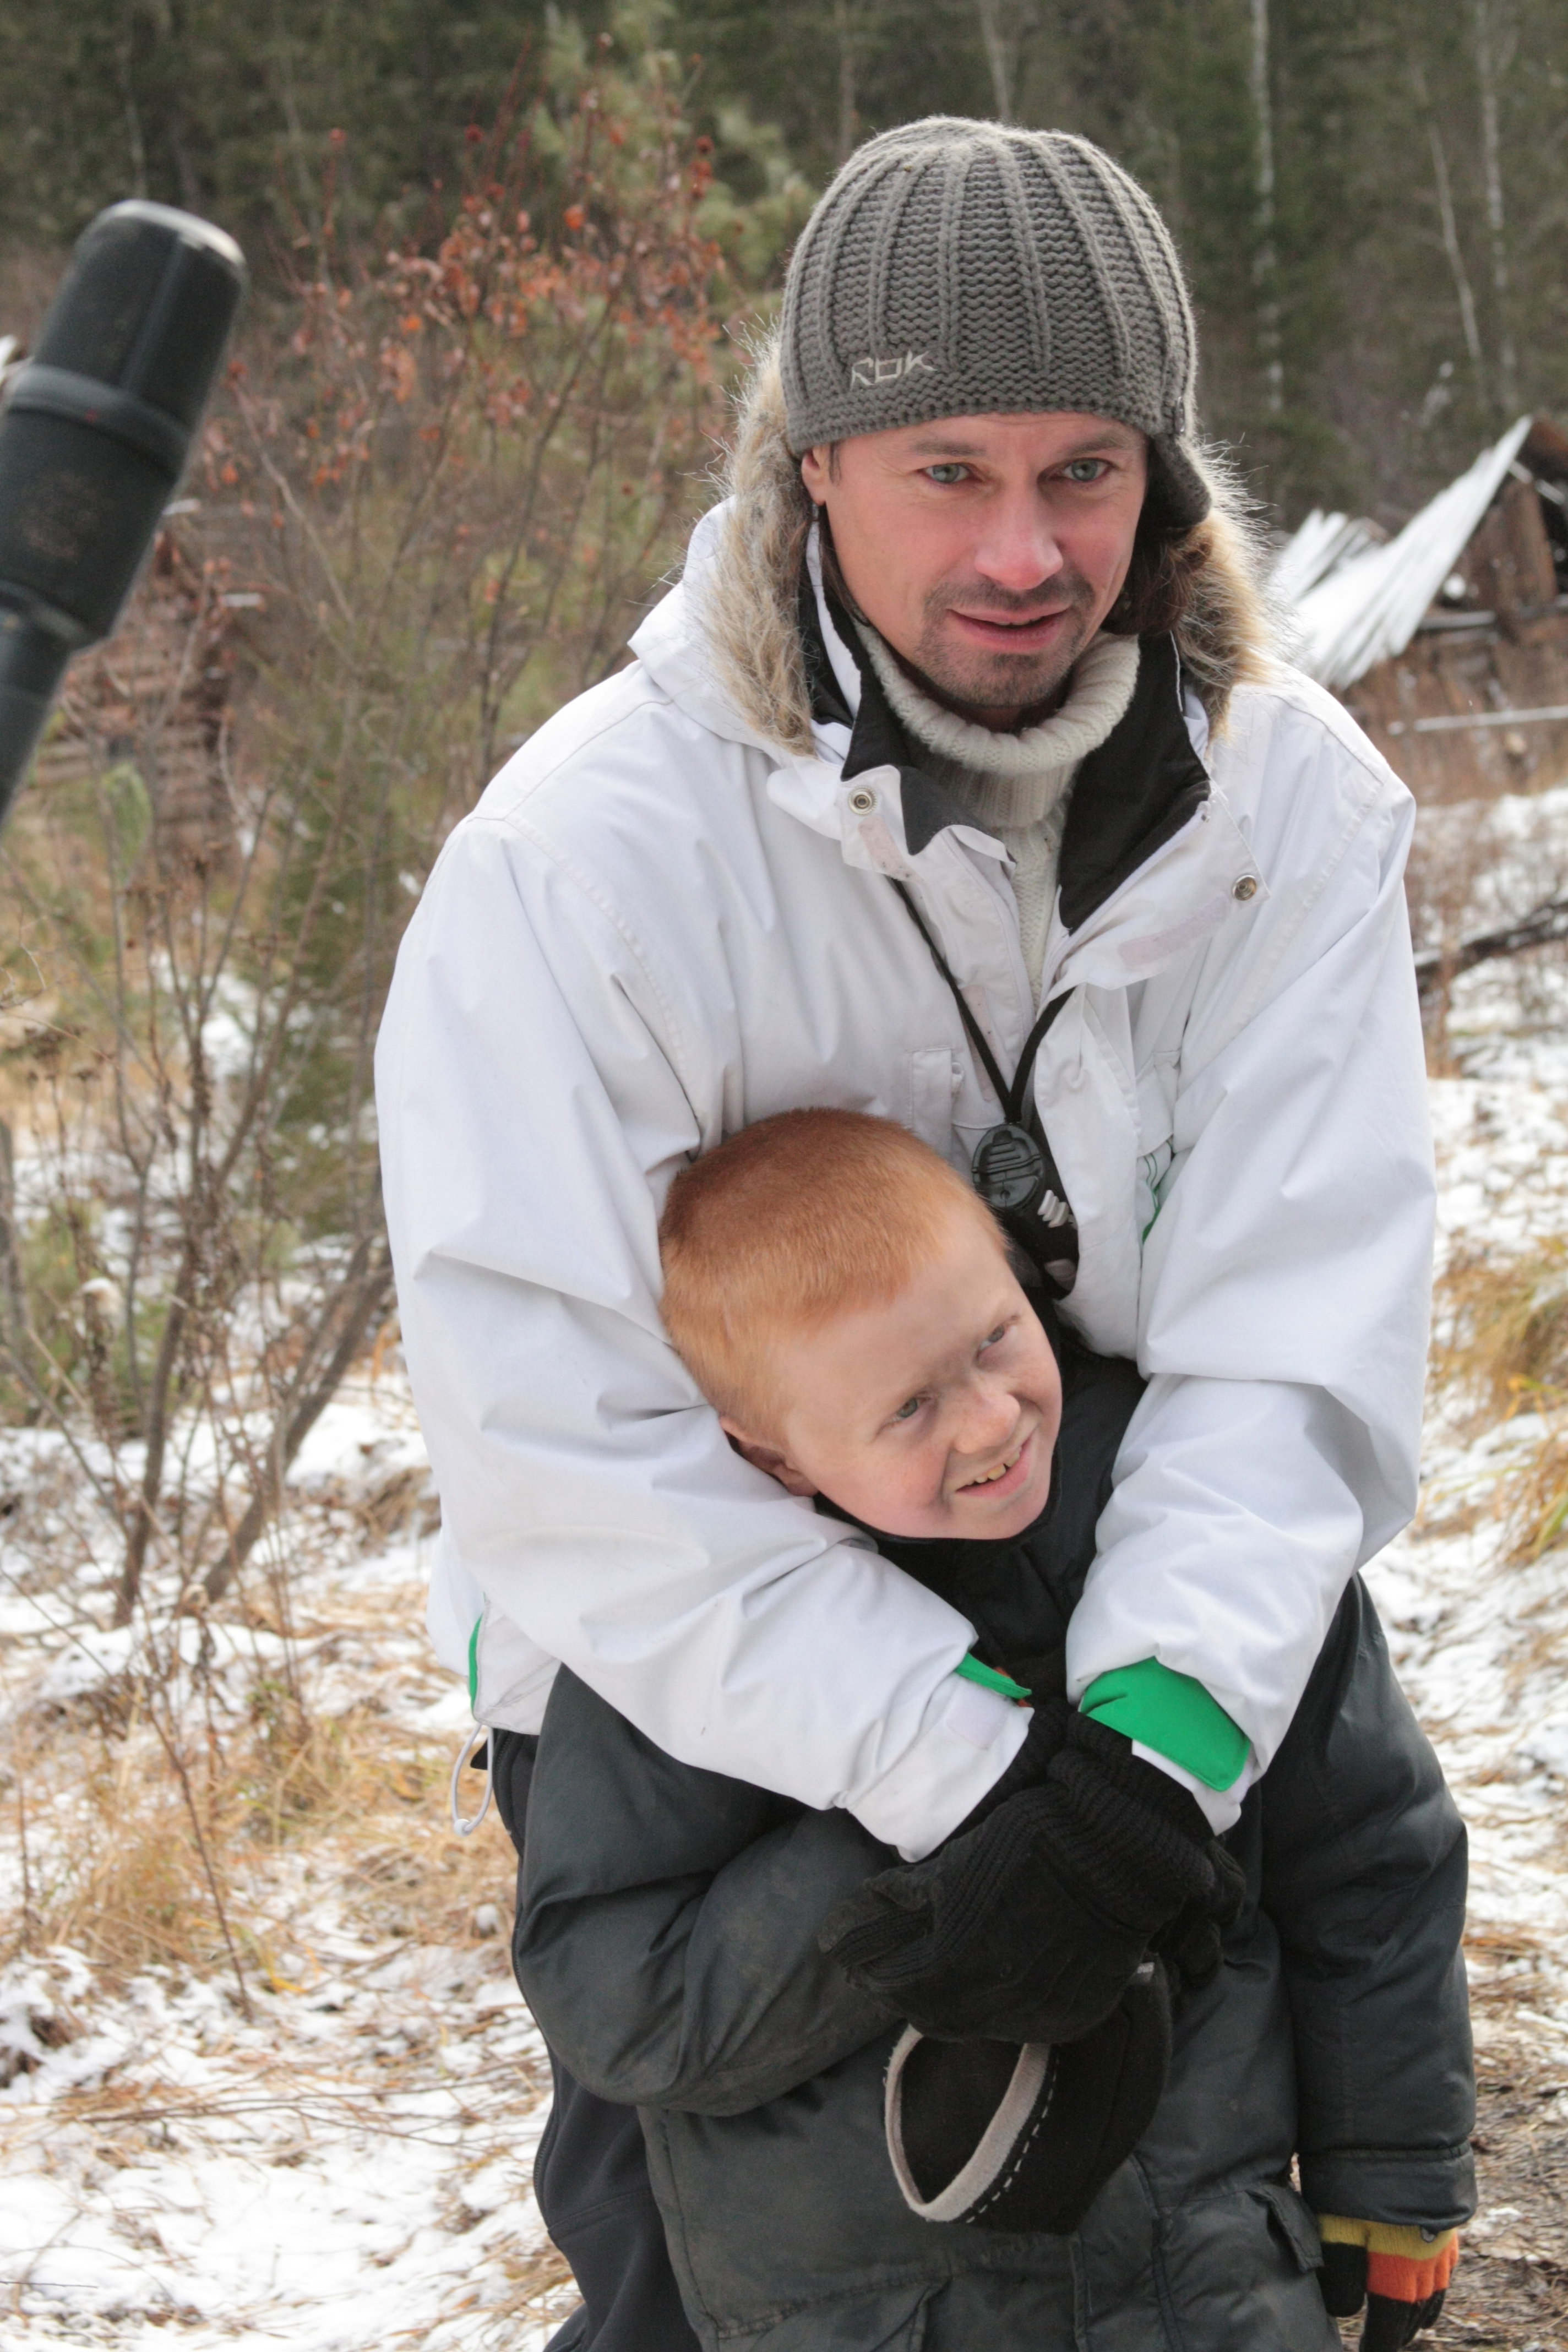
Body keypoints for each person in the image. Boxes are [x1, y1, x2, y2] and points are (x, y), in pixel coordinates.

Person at [375, 117, 1437, 2348]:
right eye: (946, 467)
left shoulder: (1291, 813)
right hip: (700, 1712)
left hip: (1150, 1631)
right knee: (725, 2283)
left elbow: (1290, 1335)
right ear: (811, 469)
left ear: (1158, 478)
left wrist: (1144, 1744)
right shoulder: (584, 865)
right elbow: (553, 1431)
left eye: (1083, 469)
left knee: (1164, 2238)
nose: (1026, 546)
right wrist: (951, 1769)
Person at [511, 1106, 1471, 2351]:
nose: (987, 1421)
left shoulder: (1197, 1529)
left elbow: (1370, 1851)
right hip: (876, 2315)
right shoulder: (687, 1638)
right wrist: (956, 1851)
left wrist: (1390, 2163)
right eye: (906, 1409)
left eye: (995, 1341)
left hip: (1202, 2278)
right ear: (776, 1460)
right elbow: (620, 1997)